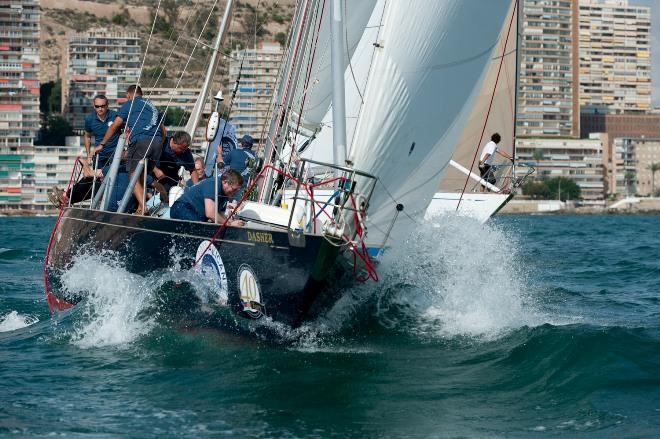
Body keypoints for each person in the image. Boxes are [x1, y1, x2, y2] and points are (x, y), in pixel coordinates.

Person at [95, 84, 166, 215]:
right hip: (157, 142)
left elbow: (115, 126)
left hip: (140, 141)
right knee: (143, 175)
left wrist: (102, 144)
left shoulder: (129, 104)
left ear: (129, 95)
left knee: (132, 176)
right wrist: (159, 142)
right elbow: (163, 131)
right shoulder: (152, 106)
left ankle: (143, 208)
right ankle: (139, 208)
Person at [170, 169, 245, 225]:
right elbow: (210, 213)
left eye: (237, 190)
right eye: (234, 189)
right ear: (225, 182)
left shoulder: (225, 194)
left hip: (196, 213)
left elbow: (220, 215)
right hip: (182, 208)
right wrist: (230, 224)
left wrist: (233, 223)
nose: (235, 193)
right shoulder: (214, 184)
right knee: (200, 229)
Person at [220, 134, 256, 200]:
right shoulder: (254, 156)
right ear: (251, 145)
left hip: (231, 184)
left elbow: (221, 164)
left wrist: (219, 153)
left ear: (242, 144)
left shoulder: (234, 152)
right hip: (245, 187)